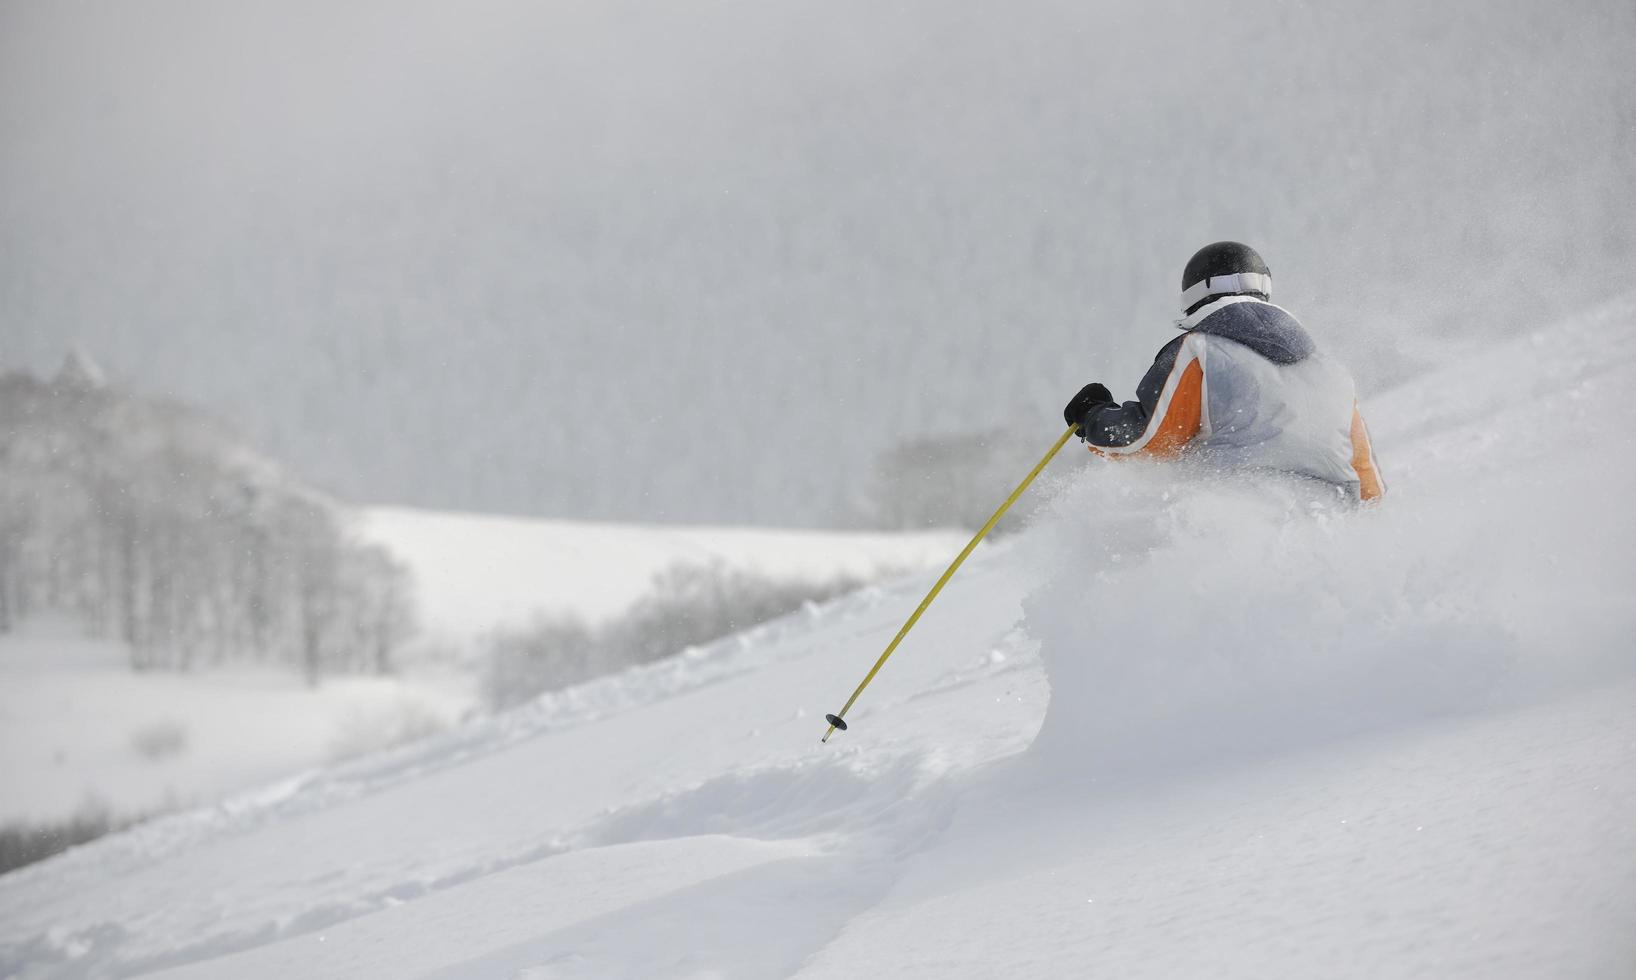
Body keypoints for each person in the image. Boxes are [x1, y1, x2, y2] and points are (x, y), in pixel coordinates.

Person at [1063, 241, 1385, 502]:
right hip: (1332, 522)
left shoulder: (1200, 350)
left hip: (1245, 513)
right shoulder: (1332, 371)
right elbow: (1367, 482)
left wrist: (1093, 417)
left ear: (1193, 296)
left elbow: (1151, 439)